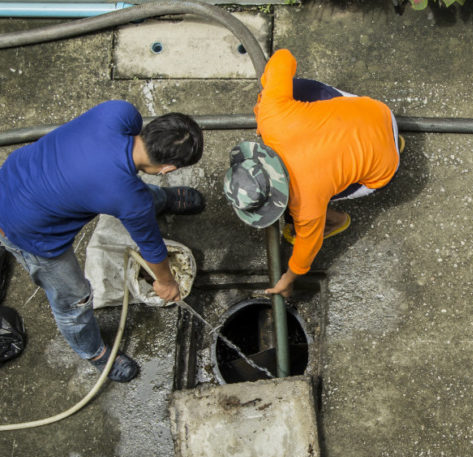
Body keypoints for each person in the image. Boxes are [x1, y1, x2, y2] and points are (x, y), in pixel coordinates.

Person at [0, 100, 205, 382]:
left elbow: (120, 170)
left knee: (126, 186)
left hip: (16, 173)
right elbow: (151, 247)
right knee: (74, 299)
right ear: (167, 168)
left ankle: (160, 200)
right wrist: (166, 282)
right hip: (26, 229)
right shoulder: (129, 198)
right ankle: (94, 352)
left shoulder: (120, 112)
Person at [224, 48, 403, 297]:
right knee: (293, 88)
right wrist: (265, 99)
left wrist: (287, 280)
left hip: (383, 169)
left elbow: (308, 248)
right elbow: (284, 57)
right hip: (378, 113)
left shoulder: (304, 204)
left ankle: (338, 221)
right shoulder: (271, 116)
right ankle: (394, 142)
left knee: (322, 199)